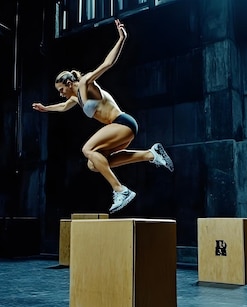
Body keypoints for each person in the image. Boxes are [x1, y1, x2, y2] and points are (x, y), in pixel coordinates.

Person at [32, 19, 174, 213]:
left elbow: (108, 63)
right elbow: (64, 107)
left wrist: (122, 38)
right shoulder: (76, 98)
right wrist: (45, 108)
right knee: (94, 164)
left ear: (68, 82)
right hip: (121, 129)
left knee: (87, 149)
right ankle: (151, 154)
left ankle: (120, 190)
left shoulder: (85, 83)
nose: (61, 93)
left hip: (123, 123)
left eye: (61, 89)